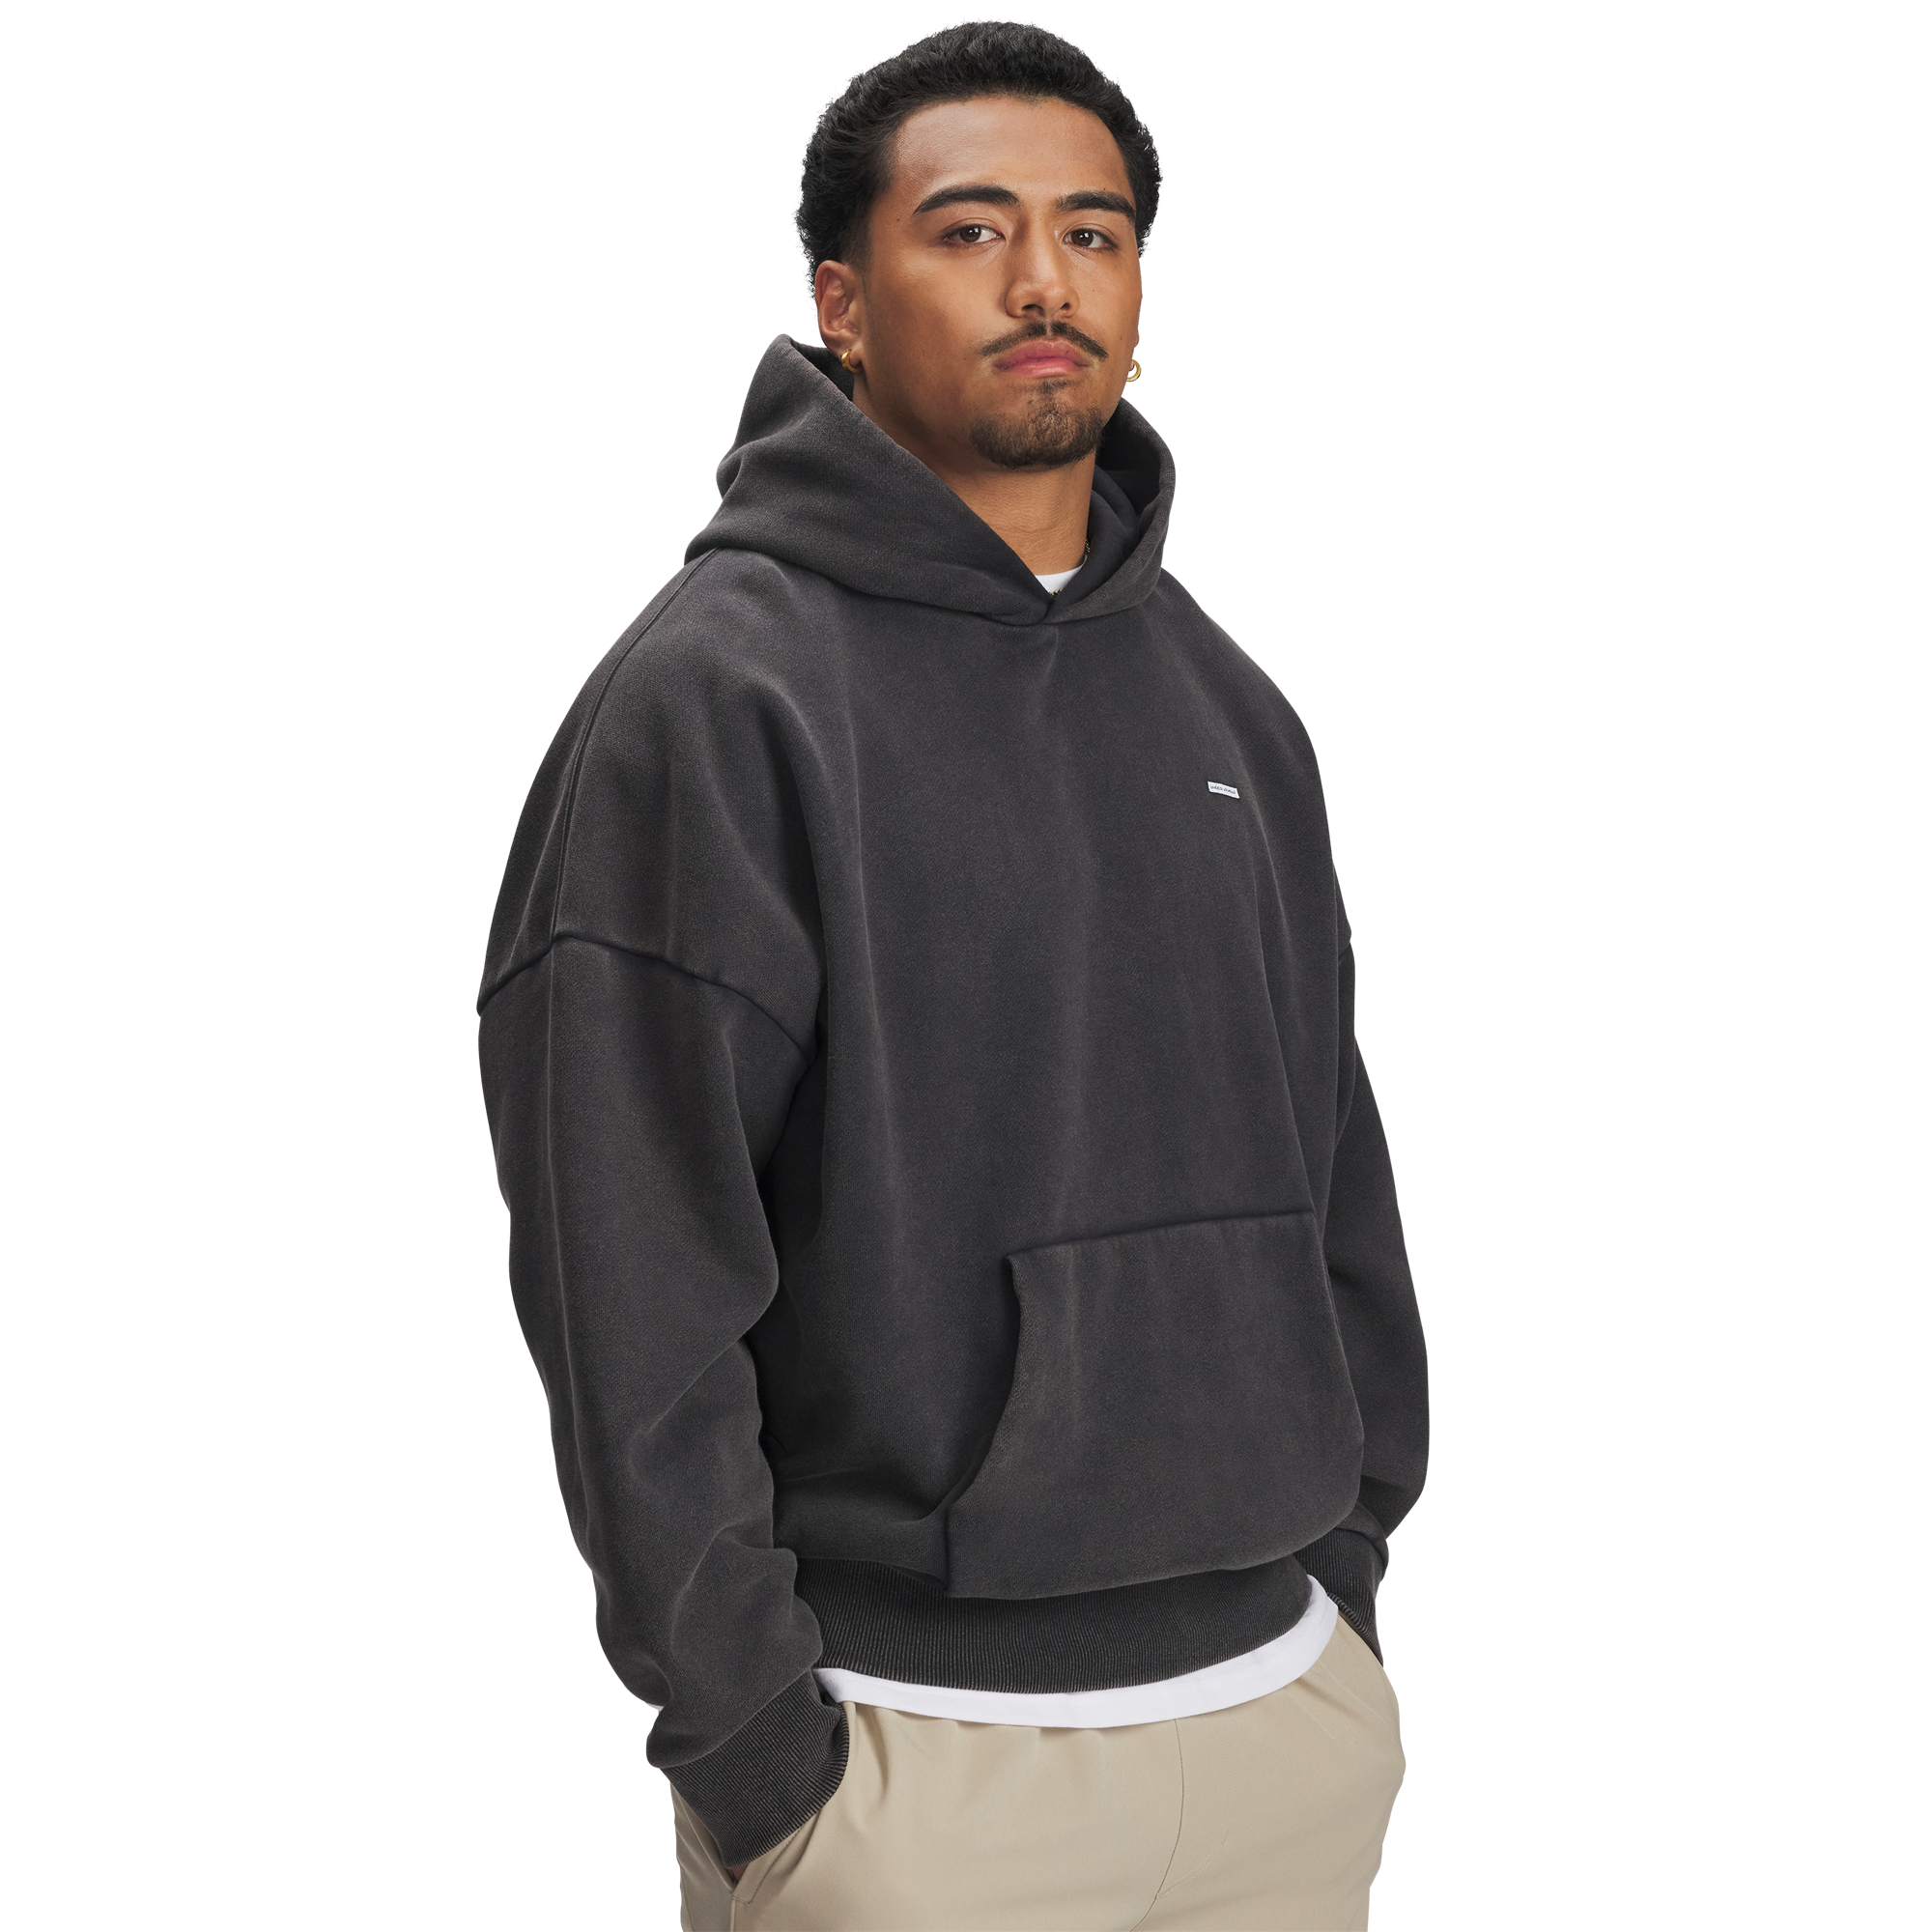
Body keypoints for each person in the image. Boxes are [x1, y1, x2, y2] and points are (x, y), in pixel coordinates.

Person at [476, 19, 1429, 1929]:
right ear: (839, 299)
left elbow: (1332, 1172)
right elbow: (629, 1270)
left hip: (1280, 1733)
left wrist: (1351, 1570)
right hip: (921, 1769)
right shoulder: (714, 697)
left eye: (1093, 234)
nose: (1043, 282)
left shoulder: (1229, 691)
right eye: (971, 230)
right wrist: (759, 1749)